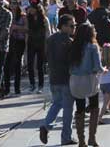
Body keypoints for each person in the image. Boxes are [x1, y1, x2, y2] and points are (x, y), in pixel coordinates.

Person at [39, 14, 76, 146]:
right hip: (66, 78)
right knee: (68, 110)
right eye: (72, 26)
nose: (74, 28)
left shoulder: (50, 39)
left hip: (54, 77)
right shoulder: (68, 41)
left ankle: (46, 125)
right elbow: (71, 61)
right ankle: (66, 137)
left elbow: (46, 56)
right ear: (64, 26)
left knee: (56, 104)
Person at [69, 23, 104, 147]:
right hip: (89, 80)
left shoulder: (73, 45)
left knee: (80, 109)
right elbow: (97, 67)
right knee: (94, 107)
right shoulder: (93, 47)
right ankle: (92, 138)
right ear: (90, 33)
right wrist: (104, 69)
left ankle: (81, 141)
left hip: (75, 80)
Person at [4, 0, 28, 95]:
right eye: (12, 3)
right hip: (8, 41)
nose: (14, 5)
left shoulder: (23, 16)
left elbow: (27, 29)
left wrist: (16, 27)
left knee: (17, 63)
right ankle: (6, 87)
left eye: (16, 3)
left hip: (19, 41)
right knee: (6, 64)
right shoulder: (6, 14)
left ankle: (17, 88)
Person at [27, 3, 50, 93]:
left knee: (40, 66)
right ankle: (32, 83)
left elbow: (48, 32)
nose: (30, 10)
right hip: (31, 43)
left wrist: (47, 44)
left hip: (41, 43)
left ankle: (41, 85)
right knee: (30, 64)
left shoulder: (44, 19)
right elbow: (27, 31)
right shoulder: (28, 19)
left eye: (32, 8)